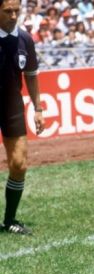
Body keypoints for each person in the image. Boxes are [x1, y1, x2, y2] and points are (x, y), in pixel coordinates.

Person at [0, 0, 45, 234]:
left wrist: (38, 108)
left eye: (16, 10)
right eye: (7, 11)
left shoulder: (25, 39)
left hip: (11, 106)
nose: (13, 15)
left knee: (19, 164)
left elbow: (31, 74)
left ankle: (9, 221)